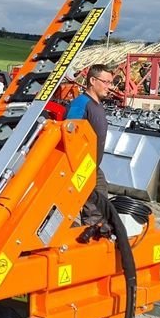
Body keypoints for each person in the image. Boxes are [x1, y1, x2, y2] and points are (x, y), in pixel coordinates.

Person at [65, 63, 113, 226]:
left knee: (101, 199)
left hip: (93, 165)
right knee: (93, 206)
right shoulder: (81, 104)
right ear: (93, 80)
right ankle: (91, 236)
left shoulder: (97, 105)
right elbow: (69, 132)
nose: (109, 86)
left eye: (110, 82)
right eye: (105, 82)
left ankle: (96, 234)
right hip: (81, 165)